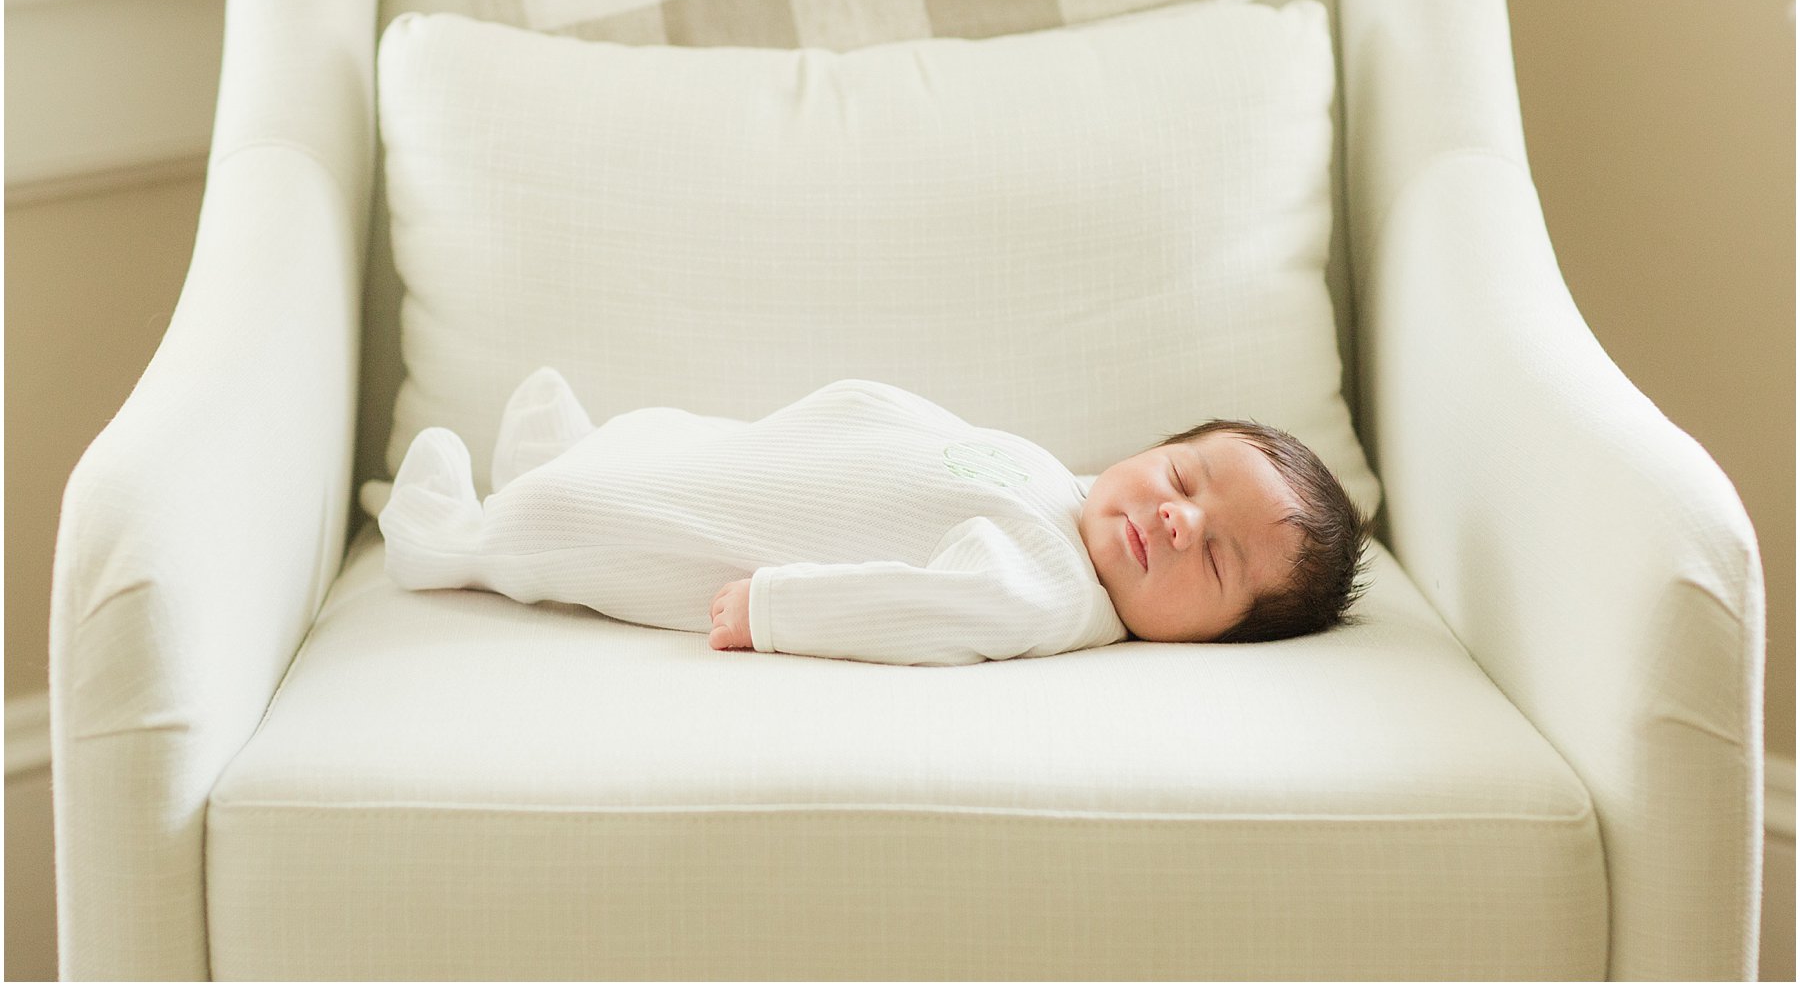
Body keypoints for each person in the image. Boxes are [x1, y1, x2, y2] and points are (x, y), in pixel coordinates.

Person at [374, 368, 1371, 667]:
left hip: (742, 530)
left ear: (1221, 635)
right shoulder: (1069, 500)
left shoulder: (1050, 591)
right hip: (761, 458)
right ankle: (565, 456)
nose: (1181, 521)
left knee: (612, 523)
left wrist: (780, 611)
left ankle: (452, 540)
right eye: (1185, 477)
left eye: (1219, 561)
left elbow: (921, 610)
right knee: (664, 445)